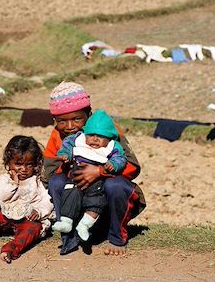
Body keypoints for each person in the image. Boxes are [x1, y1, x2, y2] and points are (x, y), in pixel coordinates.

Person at [42, 82, 145, 256]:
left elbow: (132, 167)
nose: (69, 126)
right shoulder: (57, 137)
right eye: (62, 121)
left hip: (105, 196)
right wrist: (72, 167)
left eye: (76, 119)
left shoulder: (107, 130)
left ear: (88, 115)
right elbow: (49, 173)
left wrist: (99, 172)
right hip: (75, 195)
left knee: (116, 186)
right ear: (55, 121)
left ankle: (116, 237)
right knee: (56, 182)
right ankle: (69, 236)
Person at [52, 110, 126, 241]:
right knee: (70, 195)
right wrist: (65, 155)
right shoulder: (78, 139)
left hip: (97, 183)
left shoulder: (112, 146)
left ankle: (84, 225)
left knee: (95, 202)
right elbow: (66, 146)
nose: (95, 139)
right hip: (76, 180)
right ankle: (66, 224)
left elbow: (121, 159)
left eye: (101, 136)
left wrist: (111, 165)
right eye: (91, 135)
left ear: (109, 137)